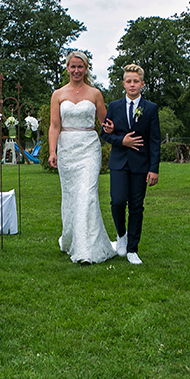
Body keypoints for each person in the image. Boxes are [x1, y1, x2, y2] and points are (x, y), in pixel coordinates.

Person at [49, 51, 116, 264]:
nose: (76, 70)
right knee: (71, 197)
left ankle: (86, 250)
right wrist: (52, 151)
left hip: (89, 148)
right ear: (67, 68)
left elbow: (106, 123)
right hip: (67, 148)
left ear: (86, 68)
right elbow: (54, 125)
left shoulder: (95, 93)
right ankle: (71, 241)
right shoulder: (58, 94)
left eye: (80, 66)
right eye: (73, 66)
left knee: (87, 195)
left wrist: (113, 128)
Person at [100, 63, 161, 265]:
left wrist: (154, 169)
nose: (132, 84)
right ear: (123, 84)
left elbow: (154, 140)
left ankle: (133, 249)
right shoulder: (114, 106)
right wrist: (121, 140)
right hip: (118, 162)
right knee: (117, 202)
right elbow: (105, 133)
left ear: (142, 84)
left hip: (140, 164)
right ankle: (121, 235)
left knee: (136, 206)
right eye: (129, 81)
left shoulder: (150, 108)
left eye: (136, 81)